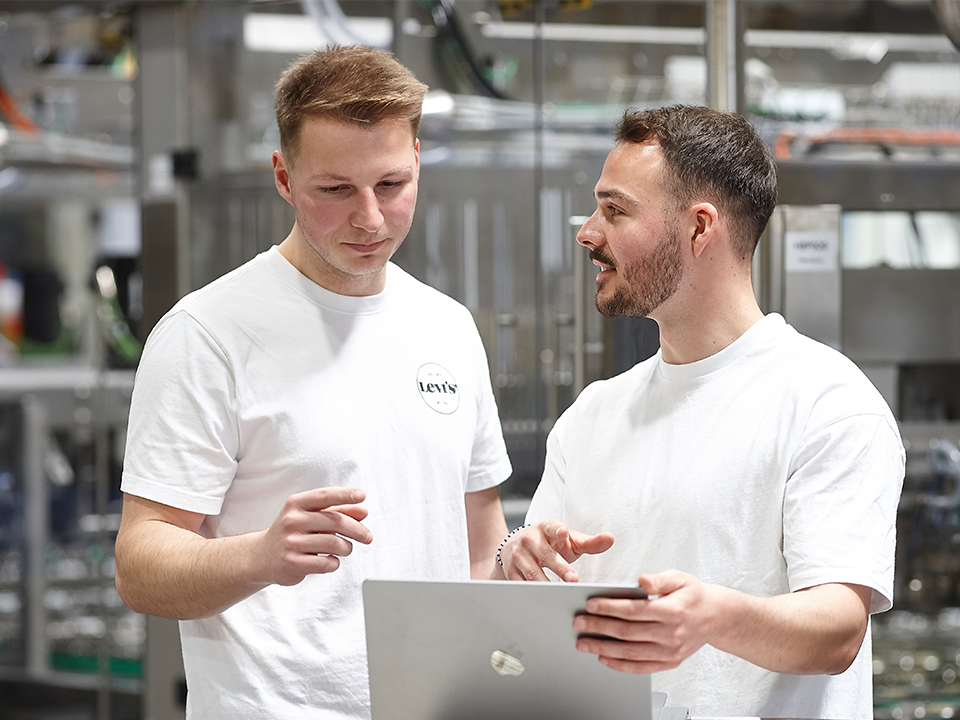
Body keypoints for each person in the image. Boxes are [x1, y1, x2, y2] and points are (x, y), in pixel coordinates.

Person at [115, 45, 512, 719]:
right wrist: (258, 557)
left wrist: (520, 560)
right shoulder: (208, 334)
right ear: (283, 175)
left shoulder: (447, 327)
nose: (370, 218)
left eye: (390, 184)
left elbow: (479, 543)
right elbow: (140, 562)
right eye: (335, 190)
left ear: (417, 159)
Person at [494, 104, 904, 720]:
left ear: (698, 227)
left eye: (616, 210)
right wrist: (514, 559)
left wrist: (715, 616)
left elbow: (837, 630)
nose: (587, 232)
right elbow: (527, 626)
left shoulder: (828, 403)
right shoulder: (592, 416)